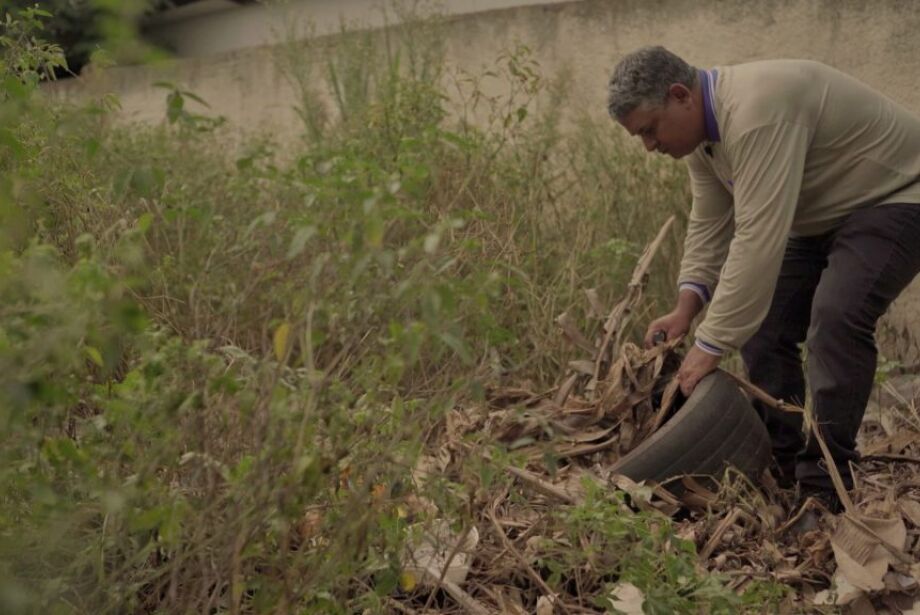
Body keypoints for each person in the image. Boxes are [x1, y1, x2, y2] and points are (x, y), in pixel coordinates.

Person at [606, 46, 920, 507]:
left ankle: (826, 483)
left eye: (650, 130)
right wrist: (685, 310)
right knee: (765, 325)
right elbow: (710, 223)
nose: (649, 146)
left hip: (898, 194)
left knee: (836, 319)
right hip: (822, 216)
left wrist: (709, 346)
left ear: (680, 95)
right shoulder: (704, 139)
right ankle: (782, 460)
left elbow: (757, 237)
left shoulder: (756, 111)